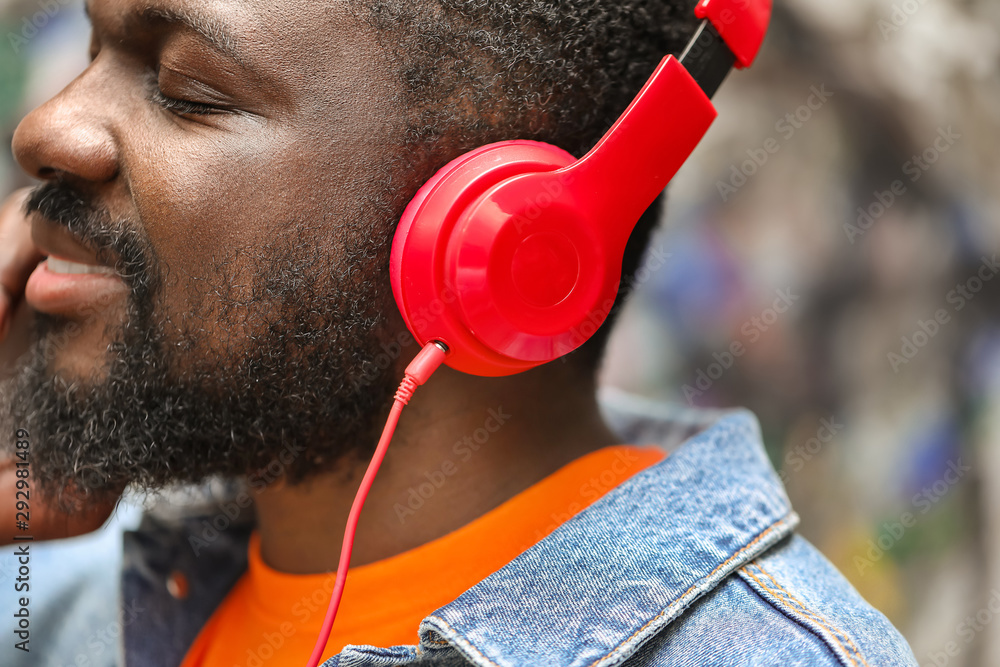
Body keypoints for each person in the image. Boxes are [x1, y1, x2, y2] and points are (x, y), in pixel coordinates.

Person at [0, 0, 918, 665]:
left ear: (510, 229)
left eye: (184, 89)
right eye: (92, 49)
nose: (49, 126)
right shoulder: (78, 609)